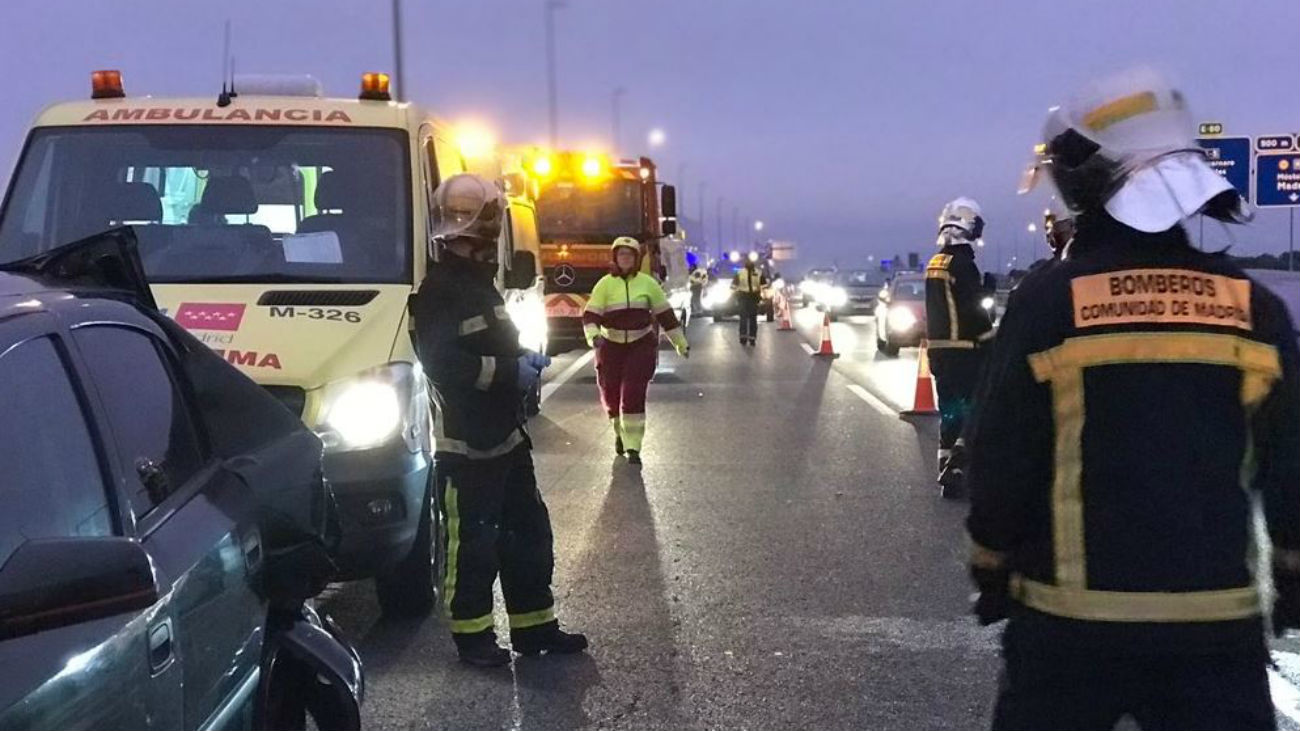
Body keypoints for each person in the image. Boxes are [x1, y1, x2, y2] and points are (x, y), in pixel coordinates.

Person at [966, 68, 1300, 731]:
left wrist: (991, 564)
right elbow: (1291, 462)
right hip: (1215, 630)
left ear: (1081, 182)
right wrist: (1291, 574)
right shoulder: (1254, 308)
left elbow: (1001, 450)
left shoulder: (1047, 303)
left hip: (1067, 627)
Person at [409, 174, 587, 667]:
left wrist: (522, 357)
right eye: (484, 234)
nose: (488, 244)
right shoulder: (440, 291)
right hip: (466, 444)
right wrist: (510, 371)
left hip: (505, 436)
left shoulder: (478, 287)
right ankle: (473, 638)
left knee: (528, 534)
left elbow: (490, 343)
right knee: (472, 544)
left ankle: (535, 628)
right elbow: (442, 364)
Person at [582, 237, 689, 465]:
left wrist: (680, 343)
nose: (625, 259)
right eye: (621, 255)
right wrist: (594, 336)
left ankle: (633, 446)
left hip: (640, 346)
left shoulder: (648, 284)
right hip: (610, 347)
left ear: (636, 259)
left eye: (630, 255)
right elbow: (590, 316)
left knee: (633, 393)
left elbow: (666, 316)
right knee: (610, 394)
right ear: (615, 258)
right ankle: (619, 432)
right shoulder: (604, 285)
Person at [925, 197, 994, 499]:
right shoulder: (964, 265)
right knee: (972, 410)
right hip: (965, 352)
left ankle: (945, 465)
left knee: (949, 412)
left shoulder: (935, 262)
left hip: (939, 352)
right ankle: (956, 467)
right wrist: (991, 340)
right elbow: (973, 311)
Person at [733, 256, 766, 346]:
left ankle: (752, 338)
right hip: (743, 296)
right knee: (743, 317)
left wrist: (764, 298)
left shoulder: (758, 273)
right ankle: (743, 337)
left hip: (754, 297)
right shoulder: (740, 273)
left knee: (753, 318)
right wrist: (734, 297)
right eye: (747, 261)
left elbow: (764, 286)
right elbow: (734, 286)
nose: (749, 263)